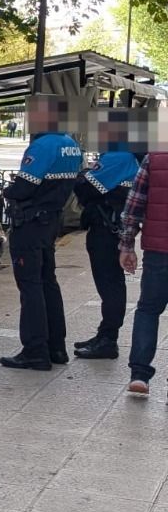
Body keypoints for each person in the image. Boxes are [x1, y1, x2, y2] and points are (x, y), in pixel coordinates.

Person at [0, 94, 83, 370]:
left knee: (30, 286)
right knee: (49, 282)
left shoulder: (43, 145)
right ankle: (56, 347)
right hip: (51, 222)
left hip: (30, 224)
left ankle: (35, 350)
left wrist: (7, 191)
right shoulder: (72, 144)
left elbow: (25, 186)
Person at [72, 114, 139, 360]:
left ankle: (108, 339)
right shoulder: (126, 154)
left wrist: (83, 177)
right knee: (110, 283)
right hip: (110, 226)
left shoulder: (118, 156)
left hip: (106, 228)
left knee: (109, 284)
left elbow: (86, 187)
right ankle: (104, 335)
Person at [119, 146, 168, 396]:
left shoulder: (155, 158)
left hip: (159, 252)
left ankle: (139, 375)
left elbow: (133, 206)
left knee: (148, 309)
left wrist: (127, 246)